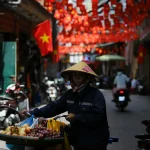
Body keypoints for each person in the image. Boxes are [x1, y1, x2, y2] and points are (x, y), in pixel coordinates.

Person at [21, 61, 110, 150]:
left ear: (87, 78)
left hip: (96, 141)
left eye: (81, 75)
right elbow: (54, 107)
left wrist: (76, 117)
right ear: (71, 77)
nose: (77, 77)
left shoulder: (96, 95)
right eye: (75, 75)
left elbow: (97, 117)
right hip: (78, 141)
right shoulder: (70, 94)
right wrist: (32, 112)